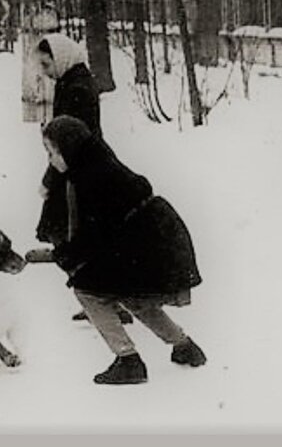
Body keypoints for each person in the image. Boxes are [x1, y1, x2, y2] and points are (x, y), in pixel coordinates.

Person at [35, 116, 206, 385]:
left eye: (52, 152)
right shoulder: (93, 161)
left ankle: (128, 361)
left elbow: (94, 234)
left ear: (67, 148)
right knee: (132, 295)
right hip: (153, 237)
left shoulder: (91, 178)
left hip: (148, 242)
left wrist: (62, 255)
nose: (51, 160)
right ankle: (184, 346)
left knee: (87, 290)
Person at [32, 34, 133, 326]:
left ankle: (103, 297)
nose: (44, 70)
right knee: (72, 233)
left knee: (72, 234)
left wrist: (49, 180)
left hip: (80, 172)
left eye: (46, 63)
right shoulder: (73, 81)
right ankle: (99, 295)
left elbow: (71, 142)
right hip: (79, 169)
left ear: (60, 58)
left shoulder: (77, 88)